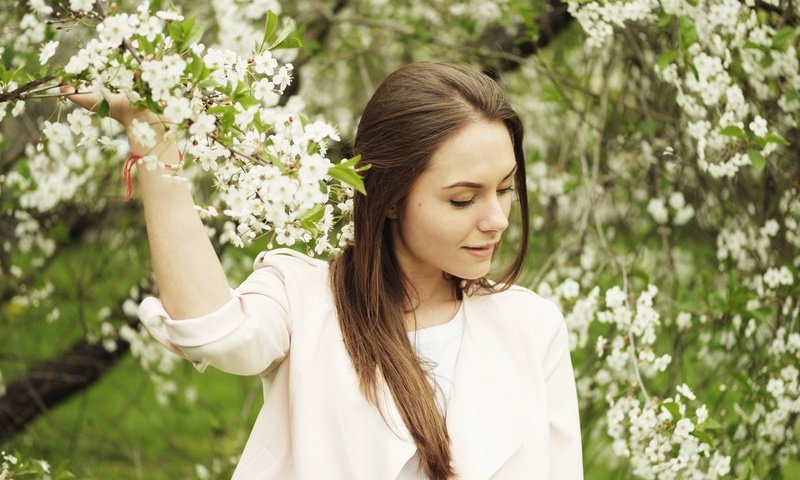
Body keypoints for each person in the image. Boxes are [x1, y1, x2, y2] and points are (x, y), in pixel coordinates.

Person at [65, 61, 583, 479]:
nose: (495, 219)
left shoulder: (532, 328)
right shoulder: (304, 298)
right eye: (463, 199)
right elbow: (211, 330)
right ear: (391, 198)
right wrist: (152, 136)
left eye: (505, 189)